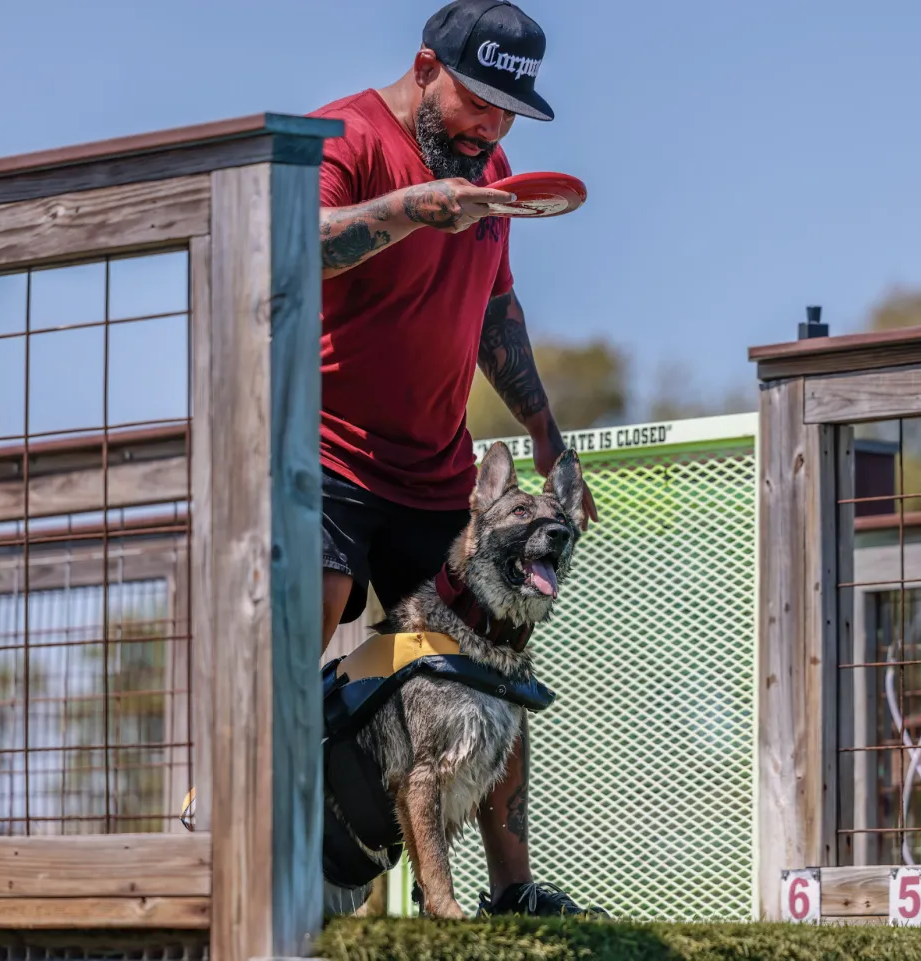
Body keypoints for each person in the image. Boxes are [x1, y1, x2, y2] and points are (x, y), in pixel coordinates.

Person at [307, 0, 604, 919]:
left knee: (493, 654)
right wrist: (414, 210)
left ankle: (511, 889)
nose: (494, 128)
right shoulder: (343, 136)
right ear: (427, 66)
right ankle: (264, 861)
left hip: (436, 470)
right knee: (296, 656)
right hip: (323, 459)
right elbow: (293, 248)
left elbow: (494, 313)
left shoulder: (494, 172)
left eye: (511, 112)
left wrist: (552, 439)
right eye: (480, 103)